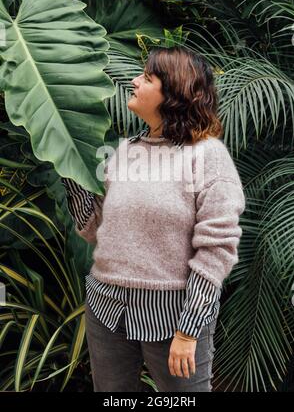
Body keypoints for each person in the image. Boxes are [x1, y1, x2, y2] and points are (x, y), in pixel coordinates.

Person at [61, 46, 246, 392]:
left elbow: (216, 250)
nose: (133, 81)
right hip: (106, 312)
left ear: (173, 94)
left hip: (174, 319)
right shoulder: (124, 152)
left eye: (146, 78)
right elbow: (97, 231)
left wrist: (189, 331)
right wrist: (68, 165)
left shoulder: (207, 157)